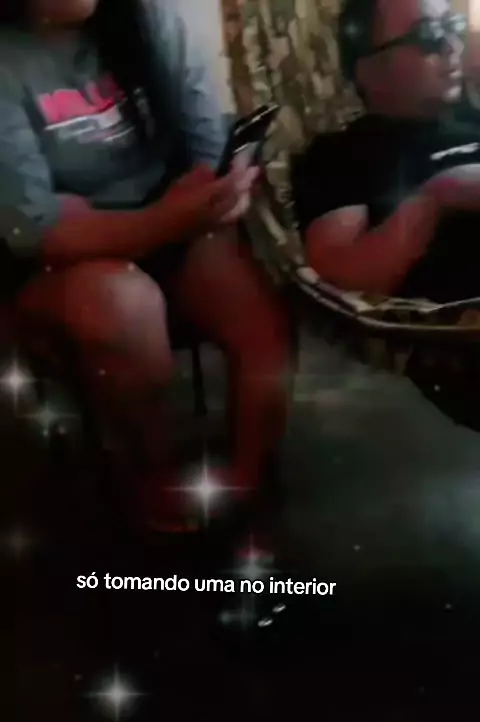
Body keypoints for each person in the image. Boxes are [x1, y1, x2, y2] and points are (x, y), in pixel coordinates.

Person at [0, 0, 291, 537]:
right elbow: (36, 234)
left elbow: (206, 154)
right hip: (53, 264)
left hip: (163, 219)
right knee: (124, 309)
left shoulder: (149, 19)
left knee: (260, 308)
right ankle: (152, 478)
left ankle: (246, 480)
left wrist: (221, 195)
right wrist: (167, 216)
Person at [291, 0, 480, 306]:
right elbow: (338, 281)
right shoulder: (341, 156)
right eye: (429, 34)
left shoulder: (474, 118)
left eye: (452, 27)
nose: (453, 46)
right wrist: (439, 197)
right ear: (367, 69)